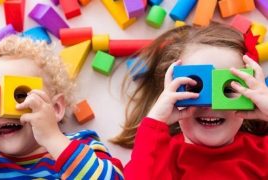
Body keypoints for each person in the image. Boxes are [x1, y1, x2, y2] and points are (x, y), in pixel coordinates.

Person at [115, 23, 268, 179]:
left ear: (250, 97)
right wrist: (156, 121)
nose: (210, 105)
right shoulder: (162, 157)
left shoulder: (262, 154)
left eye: (227, 90)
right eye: (195, 88)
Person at [0, 35, 123, 179]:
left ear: (55, 108)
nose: (0, 111)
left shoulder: (80, 146)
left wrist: (52, 138)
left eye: (19, 95)